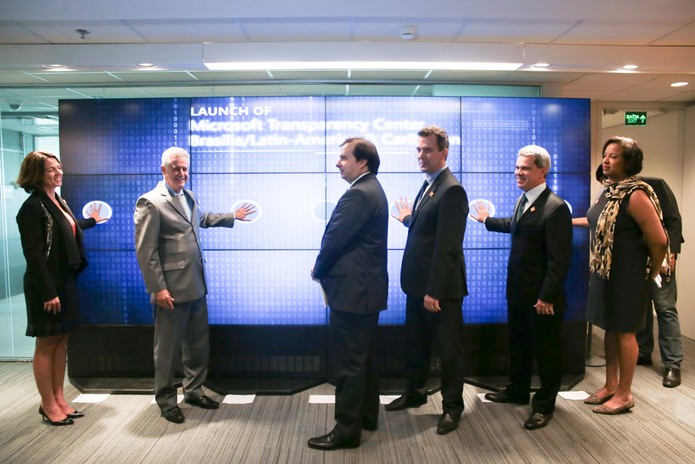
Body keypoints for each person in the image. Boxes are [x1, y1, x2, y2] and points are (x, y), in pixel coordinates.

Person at [134, 146, 255, 424]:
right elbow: (145, 251)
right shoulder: (150, 201)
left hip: (196, 285)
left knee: (197, 344)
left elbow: (199, 220)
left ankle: (193, 390)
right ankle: (165, 399)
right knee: (167, 349)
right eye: (176, 168)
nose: (182, 173)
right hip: (171, 291)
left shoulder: (189, 196)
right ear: (163, 170)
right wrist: (158, 288)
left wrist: (231, 216)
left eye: (185, 168)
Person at [471, 145, 573, 430]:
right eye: (517, 167)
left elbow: (559, 260)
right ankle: (517, 390)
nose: (518, 172)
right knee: (519, 345)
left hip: (542, 299)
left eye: (525, 168)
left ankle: (544, 406)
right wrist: (487, 221)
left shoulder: (556, 208)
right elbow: (518, 226)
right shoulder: (525, 200)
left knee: (547, 352)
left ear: (542, 170)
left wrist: (546, 296)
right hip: (518, 293)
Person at [573, 136, 668, 414]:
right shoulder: (610, 191)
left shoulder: (636, 193)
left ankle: (625, 394)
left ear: (629, 162)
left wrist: (651, 273)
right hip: (606, 271)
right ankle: (610, 385)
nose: (606, 159)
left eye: (614, 156)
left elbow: (659, 240)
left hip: (628, 275)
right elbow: (594, 220)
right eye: (605, 154)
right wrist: (560, 221)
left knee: (625, 333)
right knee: (611, 331)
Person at [307, 138, 389, 451]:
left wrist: (317, 269)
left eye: (344, 158)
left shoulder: (358, 193)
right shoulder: (372, 189)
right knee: (364, 360)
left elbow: (334, 240)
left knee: (349, 364)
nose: (338, 163)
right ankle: (366, 417)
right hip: (364, 290)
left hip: (353, 292)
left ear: (363, 162)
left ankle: (345, 432)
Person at [387, 125, 468, 435]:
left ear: (443, 153)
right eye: (419, 150)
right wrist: (408, 218)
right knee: (416, 345)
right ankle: (415, 393)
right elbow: (427, 230)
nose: (421, 155)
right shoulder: (430, 184)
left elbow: (447, 247)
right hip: (418, 287)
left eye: (428, 150)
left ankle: (452, 407)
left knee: (449, 351)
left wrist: (433, 291)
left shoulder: (452, 189)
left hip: (440, 291)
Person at [16, 151, 106, 426]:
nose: (58, 173)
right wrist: (49, 292)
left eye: (59, 168)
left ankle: (59, 399)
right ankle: (47, 404)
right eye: (51, 170)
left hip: (64, 281)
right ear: (36, 175)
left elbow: (67, 229)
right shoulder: (32, 207)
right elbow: (33, 256)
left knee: (60, 342)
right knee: (46, 344)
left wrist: (90, 221)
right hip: (47, 287)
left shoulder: (57, 200)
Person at [637, 177, 684, 388]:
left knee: (665, 308)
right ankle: (643, 351)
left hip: (661, 254)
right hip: (635, 258)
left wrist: (671, 253)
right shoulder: (617, 190)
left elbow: (673, 218)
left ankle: (673, 364)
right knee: (641, 306)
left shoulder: (654, 184)